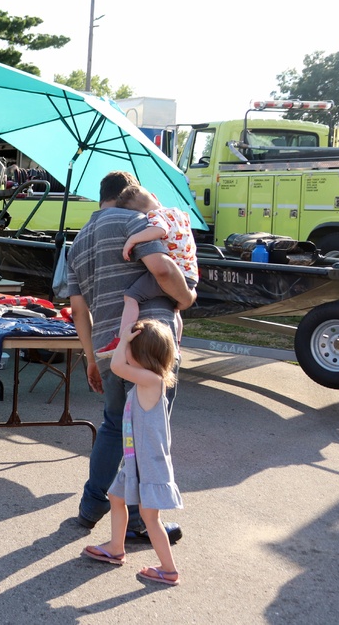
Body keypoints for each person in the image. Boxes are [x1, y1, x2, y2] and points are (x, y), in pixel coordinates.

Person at [66, 170, 195, 544]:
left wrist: (91, 359)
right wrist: (186, 299)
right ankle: (141, 520)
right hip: (150, 341)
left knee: (112, 426)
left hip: (109, 348)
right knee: (148, 432)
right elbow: (161, 268)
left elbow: (78, 311)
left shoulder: (77, 243)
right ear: (128, 194)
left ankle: (90, 507)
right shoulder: (137, 220)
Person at [81, 319, 183, 587]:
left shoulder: (151, 381)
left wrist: (125, 337)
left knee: (151, 519)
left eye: (128, 348)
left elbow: (115, 366)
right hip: (136, 461)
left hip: (149, 464)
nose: (123, 351)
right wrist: (126, 341)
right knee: (116, 496)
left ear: (140, 354)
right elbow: (119, 365)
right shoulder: (146, 381)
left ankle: (169, 569)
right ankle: (116, 547)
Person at [96, 185, 199, 357]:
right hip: (190, 275)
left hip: (174, 273)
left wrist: (132, 239)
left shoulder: (154, 216)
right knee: (175, 310)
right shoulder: (178, 213)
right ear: (154, 196)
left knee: (131, 297)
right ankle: (177, 346)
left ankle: (121, 340)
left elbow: (160, 230)